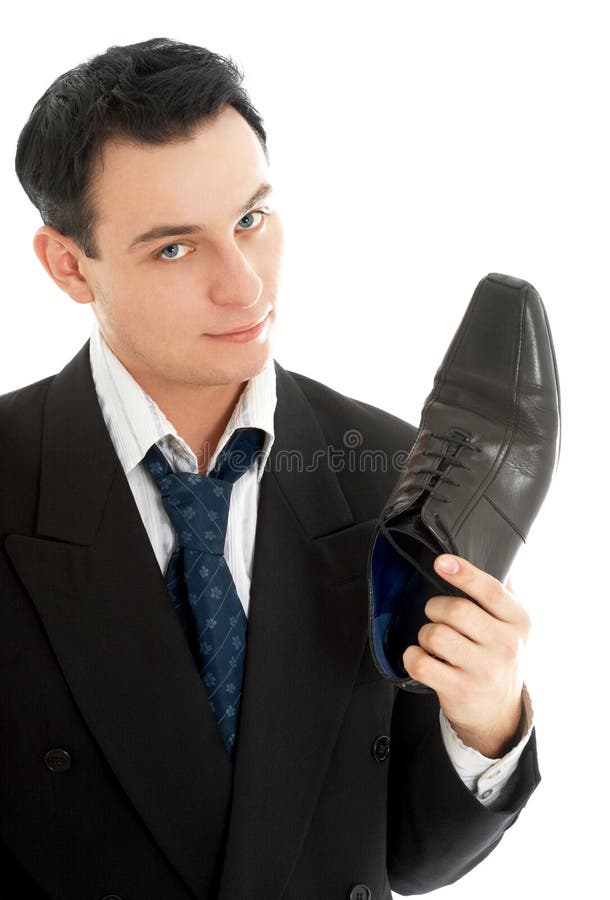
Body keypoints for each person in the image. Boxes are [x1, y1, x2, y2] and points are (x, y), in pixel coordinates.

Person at [0, 37, 540, 900]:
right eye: (175, 249)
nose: (247, 288)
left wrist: (484, 719)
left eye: (251, 220)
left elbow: (409, 859)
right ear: (68, 264)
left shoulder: (392, 473)